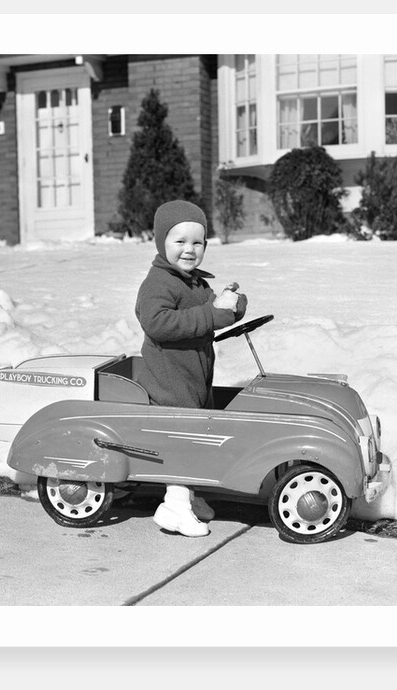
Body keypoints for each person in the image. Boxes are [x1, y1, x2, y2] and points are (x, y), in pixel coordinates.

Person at [134, 199, 247, 537]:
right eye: (179, 241)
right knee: (183, 442)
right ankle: (174, 507)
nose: (189, 250)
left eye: (197, 242)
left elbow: (212, 311)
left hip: (193, 378)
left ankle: (189, 495)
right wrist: (213, 315)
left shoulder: (194, 282)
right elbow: (158, 323)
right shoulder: (159, 283)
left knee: (197, 438)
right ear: (161, 242)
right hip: (169, 380)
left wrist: (232, 305)